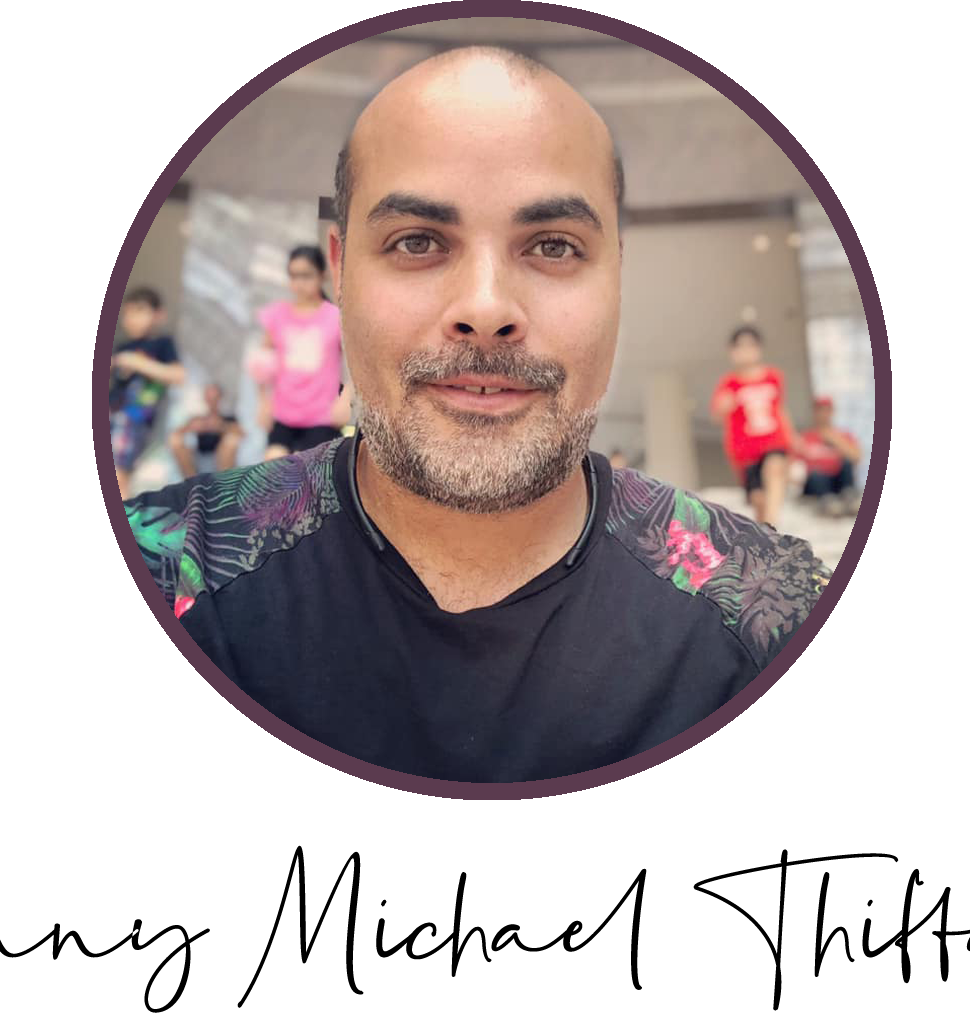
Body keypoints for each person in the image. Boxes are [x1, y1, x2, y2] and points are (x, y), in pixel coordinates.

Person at [123, 47, 831, 781]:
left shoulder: (767, 609)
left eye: (554, 246)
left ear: (618, 274)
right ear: (340, 272)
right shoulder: (167, 567)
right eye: (417, 242)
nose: (486, 309)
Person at [254, 247, 355, 460]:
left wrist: (346, 398)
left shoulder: (334, 317)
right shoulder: (277, 314)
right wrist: (263, 402)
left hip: (321, 417)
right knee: (273, 465)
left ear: (322, 275)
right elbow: (262, 363)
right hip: (283, 413)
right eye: (293, 276)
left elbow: (357, 360)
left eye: (306, 275)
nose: (299, 283)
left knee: (308, 471)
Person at [709, 326, 798, 528]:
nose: (746, 352)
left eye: (750, 346)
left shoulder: (773, 377)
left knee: (774, 469)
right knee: (759, 499)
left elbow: (780, 409)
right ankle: (764, 533)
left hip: (774, 441)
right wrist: (724, 406)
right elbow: (716, 415)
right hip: (746, 452)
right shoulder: (729, 383)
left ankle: (773, 528)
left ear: (759, 349)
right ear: (732, 352)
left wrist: (793, 439)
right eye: (740, 347)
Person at [110, 287, 186, 499]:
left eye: (139, 311)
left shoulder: (162, 344)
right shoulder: (123, 346)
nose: (131, 319)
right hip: (113, 413)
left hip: (134, 419)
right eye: (127, 313)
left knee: (119, 476)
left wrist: (136, 362)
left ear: (159, 314)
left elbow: (178, 375)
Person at [794, 396, 862, 517]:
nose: (823, 414)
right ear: (814, 412)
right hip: (816, 484)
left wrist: (835, 440)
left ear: (832, 412)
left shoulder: (843, 435)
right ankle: (828, 502)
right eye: (820, 410)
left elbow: (856, 458)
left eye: (827, 410)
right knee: (816, 475)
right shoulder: (805, 437)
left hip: (838, 481)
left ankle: (849, 497)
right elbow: (794, 465)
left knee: (846, 464)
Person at [169, 382, 243, 478]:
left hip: (222, 457)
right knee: (175, 440)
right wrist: (191, 427)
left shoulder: (227, 417)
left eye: (214, 398)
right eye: (209, 398)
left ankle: (223, 482)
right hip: (199, 455)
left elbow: (241, 432)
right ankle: (192, 482)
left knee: (231, 441)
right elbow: (177, 432)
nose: (211, 401)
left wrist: (221, 427)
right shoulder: (198, 418)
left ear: (220, 398)